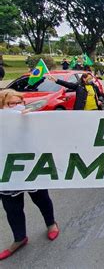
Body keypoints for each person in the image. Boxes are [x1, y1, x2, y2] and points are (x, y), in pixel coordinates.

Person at [0, 89, 59, 261]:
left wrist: (32, 122)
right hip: (8, 174)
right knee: (12, 208)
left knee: (42, 199)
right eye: (12, 104)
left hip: (32, 168)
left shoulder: (32, 120)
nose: (18, 107)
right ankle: (19, 238)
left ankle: (51, 224)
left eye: (21, 102)